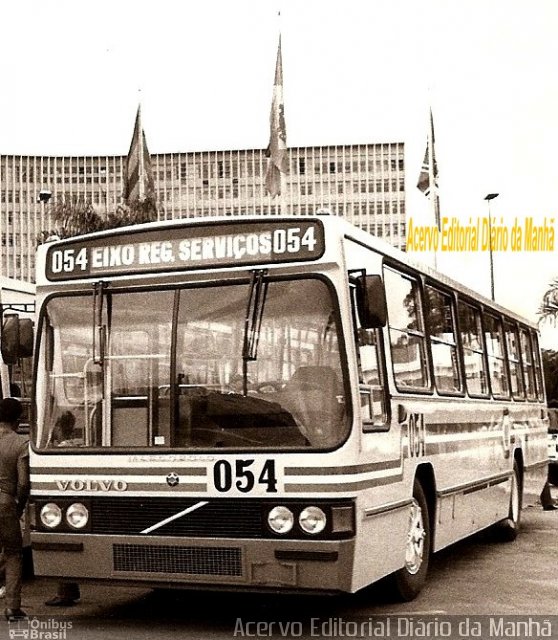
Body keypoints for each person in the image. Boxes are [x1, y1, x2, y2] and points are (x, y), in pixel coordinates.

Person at [0, 398, 29, 621]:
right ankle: (12, 607)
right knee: (13, 553)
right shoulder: (21, 443)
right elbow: (23, 483)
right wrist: (20, 505)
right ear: (18, 419)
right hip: (5, 503)